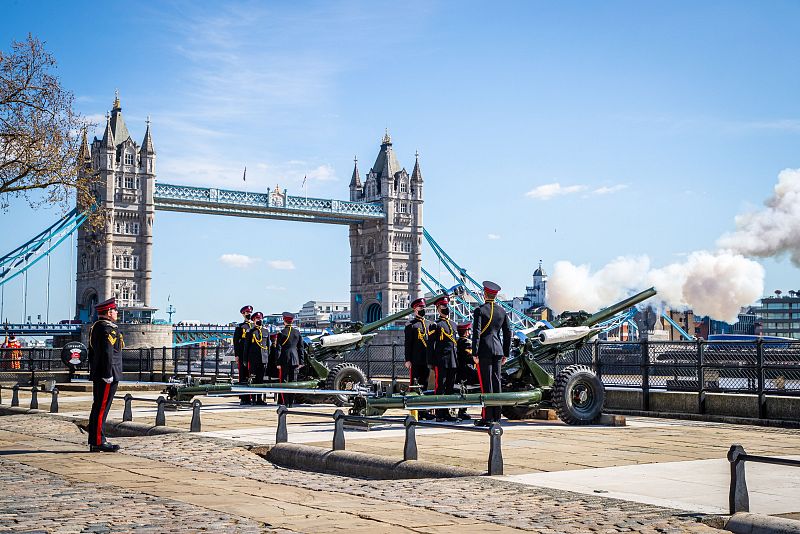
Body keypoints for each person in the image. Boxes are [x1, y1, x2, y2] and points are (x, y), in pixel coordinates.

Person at [471, 281, 511, 427]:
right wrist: (506, 352)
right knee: (497, 382)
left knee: (486, 383)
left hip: (484, 350)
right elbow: (508, 334)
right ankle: (497, 415)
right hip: (498, 350)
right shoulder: (502, 311)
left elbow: (476, 333)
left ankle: (487, 416)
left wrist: (474, 352)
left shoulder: (479, 310)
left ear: (484, 294)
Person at [86, 297, 124, 452]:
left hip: (104, 372)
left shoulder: (98, 327)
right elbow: (107, 353)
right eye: (115, 310)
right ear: (109, 312)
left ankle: (97, 439)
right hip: (108, 373)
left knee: (99, 407)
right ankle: (98, 441)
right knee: (101, 407)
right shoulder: (106, 328)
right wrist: (108, 373)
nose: (116, 312)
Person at [427, 295, 458, 422]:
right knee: (440, 387)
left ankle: (447, 412)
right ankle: (439, 413)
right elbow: (430, 346)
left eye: (446, 305)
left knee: (450, 387)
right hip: (441, 360)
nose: (446, 308)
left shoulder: (453, 324)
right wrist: (430, 362)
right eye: (443, 306)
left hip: (452, 360)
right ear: (438, 308)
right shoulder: (435, 325)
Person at [404, 297, 434, 420]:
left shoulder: (429, 324)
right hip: (416, 360)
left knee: (425, 385)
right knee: (415, 385)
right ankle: (414, 410)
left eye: (423, 307)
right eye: (420, 307)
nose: (422, 309)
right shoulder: (411, 325)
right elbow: (408, 344)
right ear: (415, 309)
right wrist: (407, 359)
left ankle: (423, 410)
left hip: (426, 360)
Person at [277, 312, 302, 407]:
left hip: (284, 359)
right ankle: (291, 402)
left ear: (284, 321)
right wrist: (301, 361)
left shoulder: (282, 333)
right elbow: (301, 348)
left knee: (284, 381)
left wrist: (278, 362)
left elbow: (278, 349)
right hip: (295, 359)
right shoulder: (297, 332)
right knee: (293, 382)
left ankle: (285, 402)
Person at [243, 312, 268, 404]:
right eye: (257, 318)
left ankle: (259, 398)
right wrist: (245, 360)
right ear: (253, 320)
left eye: (260, 318)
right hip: (253, 359)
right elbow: (246, 347)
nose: (259, 320)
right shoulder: (250, 331)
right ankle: (253, 398)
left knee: (260, 380)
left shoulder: (266, 331)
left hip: (263, 359)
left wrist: (267, 358)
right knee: (253, 379)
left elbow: (267, 346)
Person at [234, 305, 253, 405]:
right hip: (242, 355)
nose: (248, 314)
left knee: (253, 375)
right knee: (243, 375)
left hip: (252, 355)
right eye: (247, 313)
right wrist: (237, 355)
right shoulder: (240, 327)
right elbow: (236, 342)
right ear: (243, 314)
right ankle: (244, 397)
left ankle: (253, 396)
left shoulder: (254, 327)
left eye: (249, 312)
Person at [455, 322, 475, 420]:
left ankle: (462, 411)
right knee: (465, 390)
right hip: (466, 370)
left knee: (464, 390)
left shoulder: (459, 341)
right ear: (466, 332)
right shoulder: (466, 342)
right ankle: (462, 411)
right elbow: (470, 357)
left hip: (462, 369)